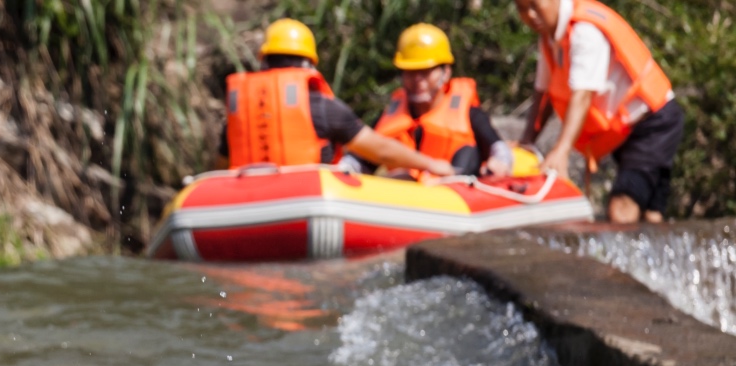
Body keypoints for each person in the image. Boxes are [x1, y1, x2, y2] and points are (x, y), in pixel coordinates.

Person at [219, 18, 456, 178]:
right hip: (306, 201)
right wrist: (432, 165)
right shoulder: (323, 108)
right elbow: (381, 150)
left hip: (248, 202)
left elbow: (219, 167)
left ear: (264, 61)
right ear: (308, 63)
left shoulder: (239, 111)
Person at [514, 0, 681, 223]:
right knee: (650, 214)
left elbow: (583, 95)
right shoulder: (550, 38)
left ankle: (622, 257)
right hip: (624, 130)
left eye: (535, 5)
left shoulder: (585, 31)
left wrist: (561, 150)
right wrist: (526, 142)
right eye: (522, 8)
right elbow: (543, 94)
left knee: (621, 208)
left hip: (652, 121)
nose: (530, 15)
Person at [370, 24, 516, 179]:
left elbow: (498, 148)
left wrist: (500, 162)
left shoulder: (469, 113)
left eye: (425, 72)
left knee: (469, 151)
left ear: (445, 73)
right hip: (398, 194)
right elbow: (360, 155)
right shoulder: (390, 116)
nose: (418, 80)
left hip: (453, 191)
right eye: (411, 72)